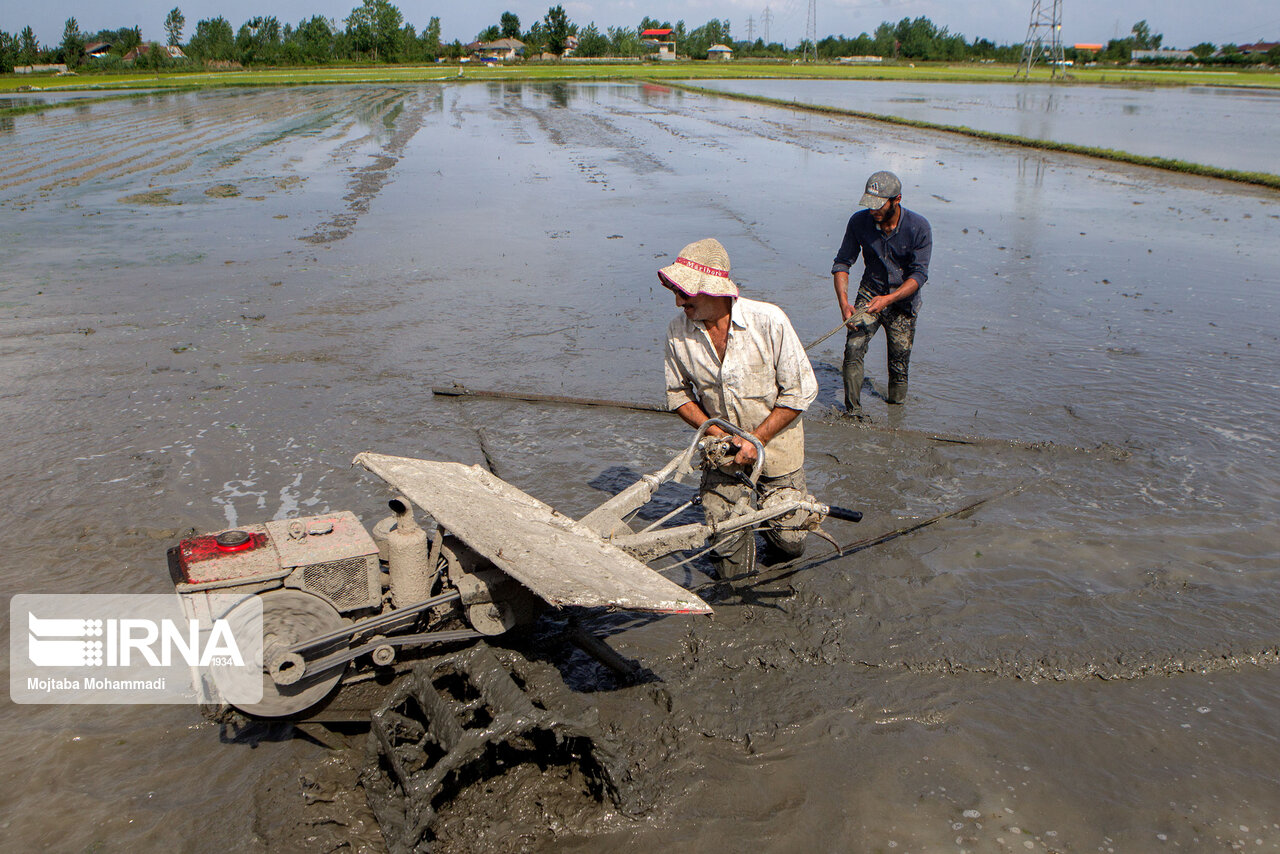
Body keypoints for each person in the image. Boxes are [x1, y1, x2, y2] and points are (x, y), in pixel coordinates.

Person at [660, 238, 818, 577]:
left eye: (685, 292)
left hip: (778, 452)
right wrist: (721, 435)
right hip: (723, 454)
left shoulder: (769, 321)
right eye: (675, 291)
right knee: (726, 548)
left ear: (714, 291)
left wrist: (755, 439)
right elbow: (678, 396)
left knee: (789, 543)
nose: (678, 301)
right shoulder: (677, 332)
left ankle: (780, 533)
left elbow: (800, 392)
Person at [831, 170, 933, 418]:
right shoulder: (859, 222)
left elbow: (919, 276)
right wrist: (844, 303)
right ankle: (853, 413)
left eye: (879, 205)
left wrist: (889, 299)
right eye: (869, 204)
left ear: (897, 200)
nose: (873, 210)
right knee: (853, 349)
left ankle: (895, 415)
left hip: (903, 302)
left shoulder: (919, 227)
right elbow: (843, 263)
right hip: (869, 293)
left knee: (899, 365)